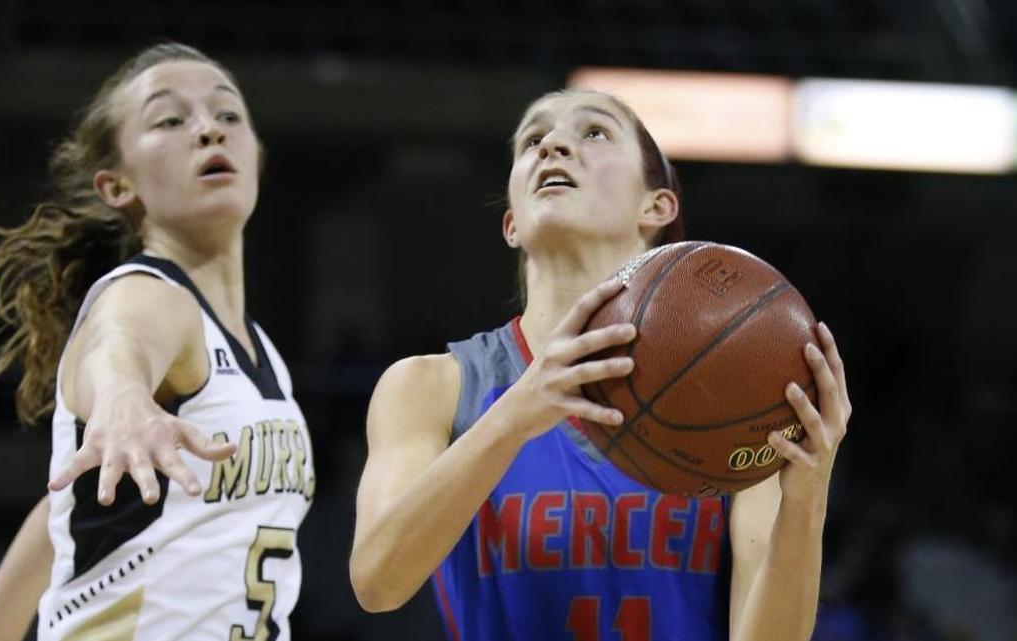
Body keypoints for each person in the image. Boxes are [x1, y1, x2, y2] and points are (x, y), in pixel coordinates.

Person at [350, 89, 852, 640]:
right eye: (533, 140)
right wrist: (516, 412)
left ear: (656, 206)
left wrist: (806, 500)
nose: (554, 146)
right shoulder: (432, 386)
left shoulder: (735, 395)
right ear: (511, 222)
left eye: (594, 132)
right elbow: (378, 582)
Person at [0, 43, 315, 641]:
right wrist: (122, 399)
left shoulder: (261, 350)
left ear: (257, 156)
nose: (207, 132)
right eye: (170, 120)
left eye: (228, 115)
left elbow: (62, 512)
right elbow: (120, 343)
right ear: (117, 185)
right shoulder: (148, 295)